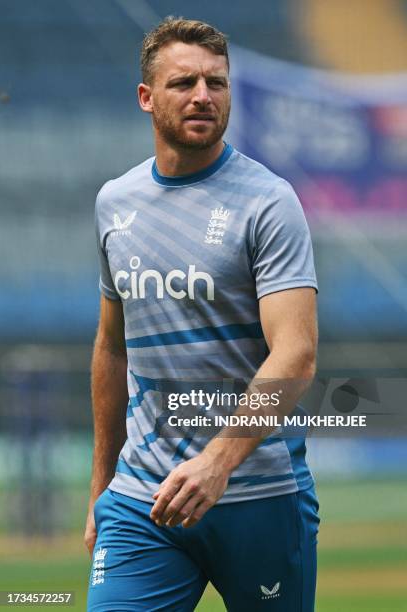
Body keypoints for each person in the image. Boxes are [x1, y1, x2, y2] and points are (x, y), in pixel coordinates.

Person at [86, 17, 319, 612]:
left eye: (217, 84)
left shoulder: (268, 201)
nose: (202, 97)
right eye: (184, 82)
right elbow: (113, 347)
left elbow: (295, 354)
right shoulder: (115, 202)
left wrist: (217, 462)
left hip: (257, 493)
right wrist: (102, 485)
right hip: (143, 501)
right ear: (146, 97)